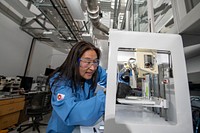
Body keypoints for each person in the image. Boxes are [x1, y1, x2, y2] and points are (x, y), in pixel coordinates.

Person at [46, 41, 107, 133]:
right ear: (75, 61)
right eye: (87, 61)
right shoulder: (60, 81)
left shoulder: (93, 72)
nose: (92, 68)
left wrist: (120, 83)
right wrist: (105, 98)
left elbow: (109, 79)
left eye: (95, 62)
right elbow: (71, 112)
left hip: (82, 129)